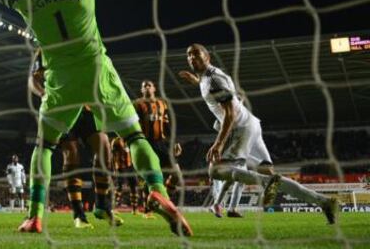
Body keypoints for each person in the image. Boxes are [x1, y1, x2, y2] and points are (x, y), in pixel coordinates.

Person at [0, 0, 191, 236]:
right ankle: (157, 189)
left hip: (60, 83)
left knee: (45, 147)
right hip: (98, 72)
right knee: (134, 137)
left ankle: (35, 216)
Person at [178, 43, 338, 224]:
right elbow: (210, 87)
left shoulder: (214, 80)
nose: (192, 58)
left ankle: (261, 184)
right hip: (251, 124)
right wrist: (195, 80)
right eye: (189, 55)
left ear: (207, 57)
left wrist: (219, 143)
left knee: (215, 170)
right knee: (270, 174)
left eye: (196, 54)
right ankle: (324, 202)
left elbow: (230, 113)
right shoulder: (211, 77)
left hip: (240, 128)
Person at [31, 61, 121, 228]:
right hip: (63, 108)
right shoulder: (48, 47)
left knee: (105, 149)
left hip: (88, 108)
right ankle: (79, 214)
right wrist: (43, 93)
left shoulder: (86, 44)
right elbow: (33, 79)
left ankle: (102, 205)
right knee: (71, 154)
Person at [133, 80, 183, 213]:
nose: (147, 88)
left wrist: (175, 142)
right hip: (145, 143)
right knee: (147, 177)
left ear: (154, 88)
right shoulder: (137, 104)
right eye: (144, 86)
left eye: (149, 85)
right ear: (142, 90)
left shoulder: (162, 104)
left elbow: (167, 125)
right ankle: (147, 209)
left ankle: (164, 198)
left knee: (176, 173)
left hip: (161, 143)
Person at [111, 136, 141, 214]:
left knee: (134, 187)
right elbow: (113, 156)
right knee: (119, 187)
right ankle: (113, 208)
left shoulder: (128, 141)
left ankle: (134, 209)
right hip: (121, 167)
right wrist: (114, 169)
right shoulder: (116, 141)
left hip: (130, 166)